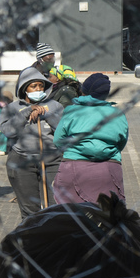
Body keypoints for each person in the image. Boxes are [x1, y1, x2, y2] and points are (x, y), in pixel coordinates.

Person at [53, 73, 128, 205]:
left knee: (70, 218)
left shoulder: (72, 111)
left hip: (73, 166)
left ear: (83, 90)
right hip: (109, 169)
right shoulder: (117, 114)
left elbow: (58, 141)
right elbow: (121, 142)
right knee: (107, 217)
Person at [0, 67, 64, 219]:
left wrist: (46, 114)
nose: (38, 89)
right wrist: (26, 112)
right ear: (24, 88)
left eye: (41, 86)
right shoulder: (12, 108)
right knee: (30, 210)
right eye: (33, 86)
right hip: (22, 160)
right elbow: (8, 131)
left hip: (52, 160)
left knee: (55, 206)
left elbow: (63, 130)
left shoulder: (55, 105)